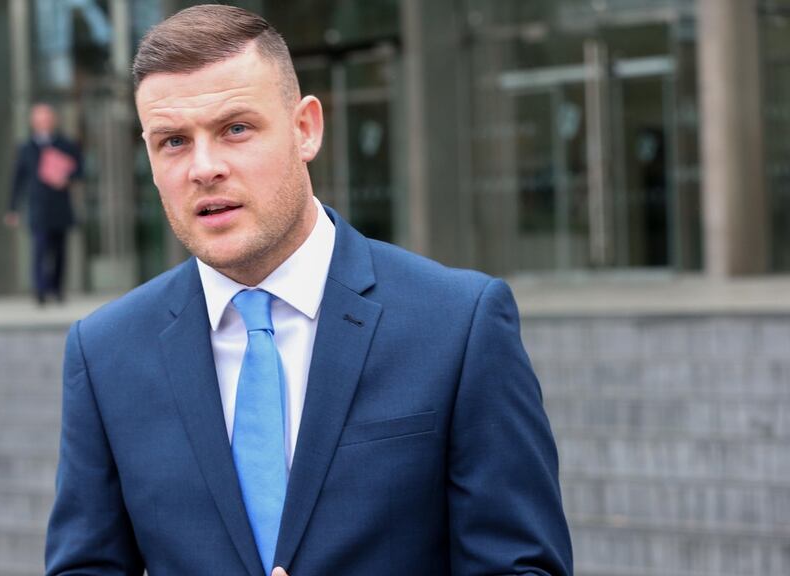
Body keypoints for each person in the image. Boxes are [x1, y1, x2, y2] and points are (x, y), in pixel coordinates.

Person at [45, 5, 572, 576]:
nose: (204, 167)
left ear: (305, 129)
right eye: (173, 141)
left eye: (236, 129)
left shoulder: (458, 325)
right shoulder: (105, 353)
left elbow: (521, 566)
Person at [5, 103, 83, 306]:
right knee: (39, 250)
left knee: (59, 251)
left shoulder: (66, 145)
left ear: (54, 120)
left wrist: (67, 178)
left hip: (60, 206)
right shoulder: (26, 148)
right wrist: (12, 208)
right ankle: (40, 291)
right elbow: (18, 179)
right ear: (33, 122)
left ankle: (57, 289)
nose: (44, 122)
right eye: (40, 118)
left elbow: (79, 170)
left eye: (47, 118)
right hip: (38, 207)